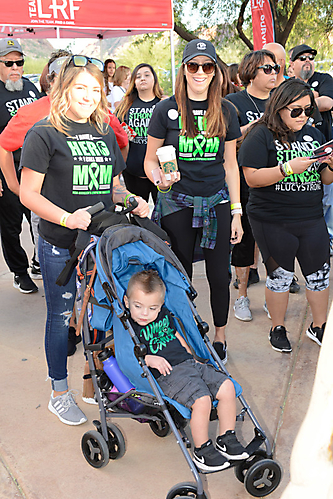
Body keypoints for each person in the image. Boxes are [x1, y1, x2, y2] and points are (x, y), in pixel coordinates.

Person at [19, 55, 149, 425]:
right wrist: (66, 217)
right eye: (81, 88)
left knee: (103, 316)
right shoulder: (44, 133)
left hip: (103, 242)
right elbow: (28, 193)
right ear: (63, 89)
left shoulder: (105, 129)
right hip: (61, 243)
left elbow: (113, 185)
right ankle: (59, 392)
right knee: (61, 318)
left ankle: (99, 387)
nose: (89, 96)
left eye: (96, 89)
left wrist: (132, 201)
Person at [144, 39, 243, 364]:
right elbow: (149, 161)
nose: (200, 72)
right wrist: (159, 178)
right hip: (177, 202)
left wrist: (237, 211)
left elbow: (231, 165)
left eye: (207, 66)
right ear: (183, 69)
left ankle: (219, 336)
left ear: (216, 71)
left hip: (216, 201)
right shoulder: (166, 108)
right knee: (179, 273)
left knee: (219, 275)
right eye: (193, 65)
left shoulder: (227, 110)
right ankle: (186, 332)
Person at [238, 78, 333, 352]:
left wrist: (330, 165)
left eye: (308, 110)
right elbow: (252, 177)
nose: (304, 116)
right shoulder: (261, 134)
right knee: (280, 275)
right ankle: (277, 327)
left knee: (319, 274)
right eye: (297, 110)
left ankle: (319, 326)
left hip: (311, 215)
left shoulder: (313, 135)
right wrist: (287, 169)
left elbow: (325, 179)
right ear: (280, 107)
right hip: (273, 218)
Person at [124, 269, 249, 472]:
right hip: (168, 374)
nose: (144, 313)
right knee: (202, 400)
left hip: (189, 364)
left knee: (227, 387)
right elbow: (126, 354)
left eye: (152, 308)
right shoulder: (128, 325)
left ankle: (227, 438)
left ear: (160, 306)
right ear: (126, 300)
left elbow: (175, 335)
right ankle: (202, 450)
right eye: (138, 306)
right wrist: (149, 359)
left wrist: (191, 355)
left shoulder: (164, 315)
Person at [225, 49, 278, 321]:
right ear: (250, 73)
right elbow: (224, 145)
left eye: (276, 68)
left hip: (278, 181)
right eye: (267, 69)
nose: (274, 73)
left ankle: (273, 295)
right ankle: (242, 297)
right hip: (245, 183)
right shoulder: (231, 102)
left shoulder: (281, 100)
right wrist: (252, 128)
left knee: (275, 241)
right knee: (243, 241)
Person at [0, 38, 41, 294]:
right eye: (9, 63)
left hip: (35, 167)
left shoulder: (30, 88)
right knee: (11, 226)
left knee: (39, 219)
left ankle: (39, 261)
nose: (15, 67)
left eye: (19, 62)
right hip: (7, 169)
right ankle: (19, 271)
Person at [290, 44, 333, 253]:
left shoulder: (324, 79)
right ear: (292, 64)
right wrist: (311, 96)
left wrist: (300, 100)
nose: (307, 61)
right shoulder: (287, 84)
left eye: (310, 57)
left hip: (323, 147)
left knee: (327, 196)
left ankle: (328, 238)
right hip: (293, 150)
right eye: (301, 58)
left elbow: (327, 103)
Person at [116, 63, 163, 203]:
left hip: (160, 172)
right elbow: (115, 134)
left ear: (154, 79)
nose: (143, 78)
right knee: (136, 217)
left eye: (147, 75)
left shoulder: (164, 105)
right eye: (138, 76)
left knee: (162, 219)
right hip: (132, 171)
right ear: (133, 83)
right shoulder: (125, 106)